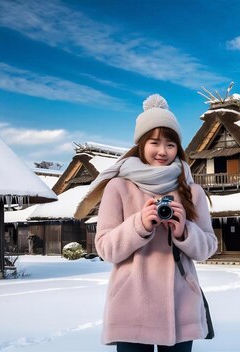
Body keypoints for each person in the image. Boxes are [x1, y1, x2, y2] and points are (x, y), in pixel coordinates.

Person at [78, 94, 217, 352]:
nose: (162, 151)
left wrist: (184, 230)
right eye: (154, 142)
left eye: (170, 145)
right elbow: (105, 248)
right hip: (131, 306)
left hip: (180, 307)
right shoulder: (118, 187)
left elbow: (208, 247)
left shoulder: (191, 191)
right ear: (141, 144)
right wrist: (139, 225)